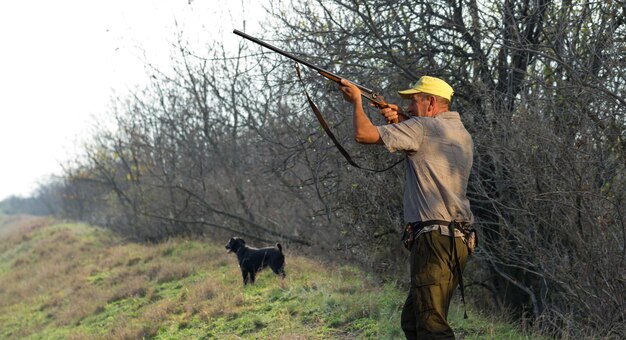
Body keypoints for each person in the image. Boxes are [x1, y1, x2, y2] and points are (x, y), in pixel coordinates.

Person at [338, 76, 474, 339]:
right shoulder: (461, 134)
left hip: (434, 240)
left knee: (431, 326)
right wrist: (400, 120)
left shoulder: (422, 128)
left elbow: (363, 134)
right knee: (413, 321)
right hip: (459, 240)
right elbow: (428, 144)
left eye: (414, 101)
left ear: (431, 103)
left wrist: (356, 100)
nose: (409, 108)